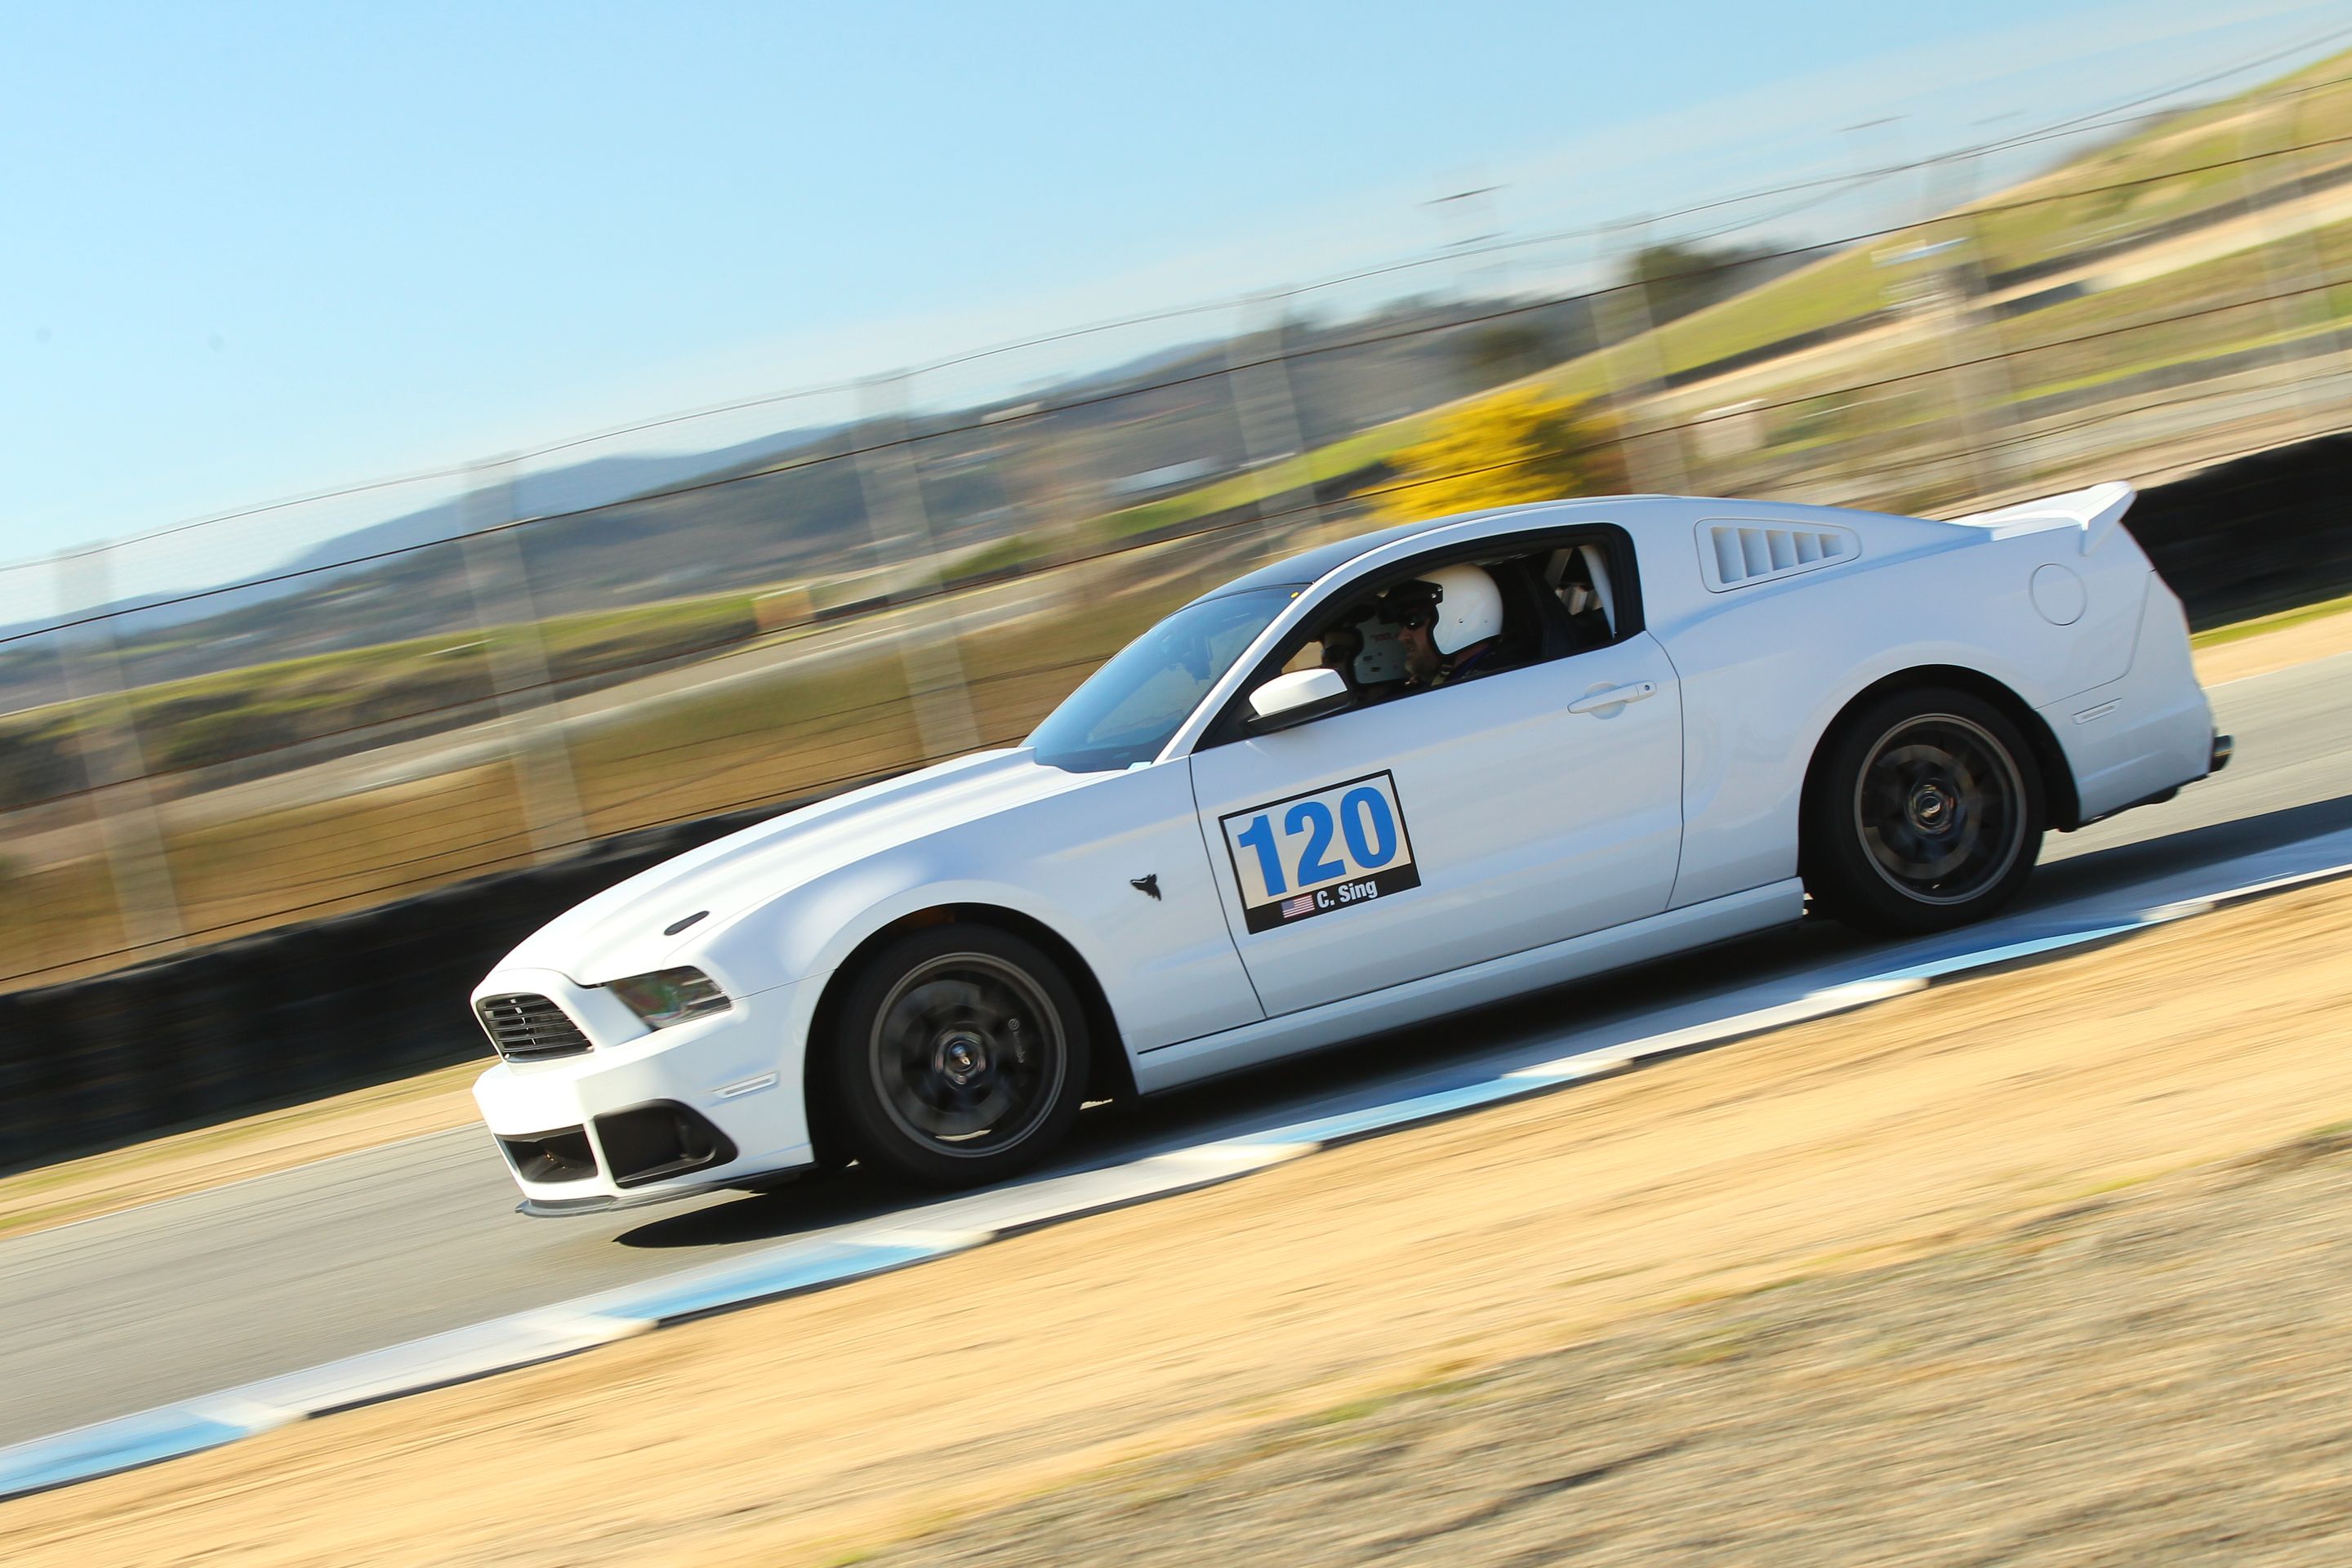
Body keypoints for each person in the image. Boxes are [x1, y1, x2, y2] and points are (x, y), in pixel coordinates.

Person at [1380, 564, 1505, 691]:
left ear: (1456, 618)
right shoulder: (1462, 683)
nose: (1402, 637)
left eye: (1413, 620)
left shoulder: (1488, 689)